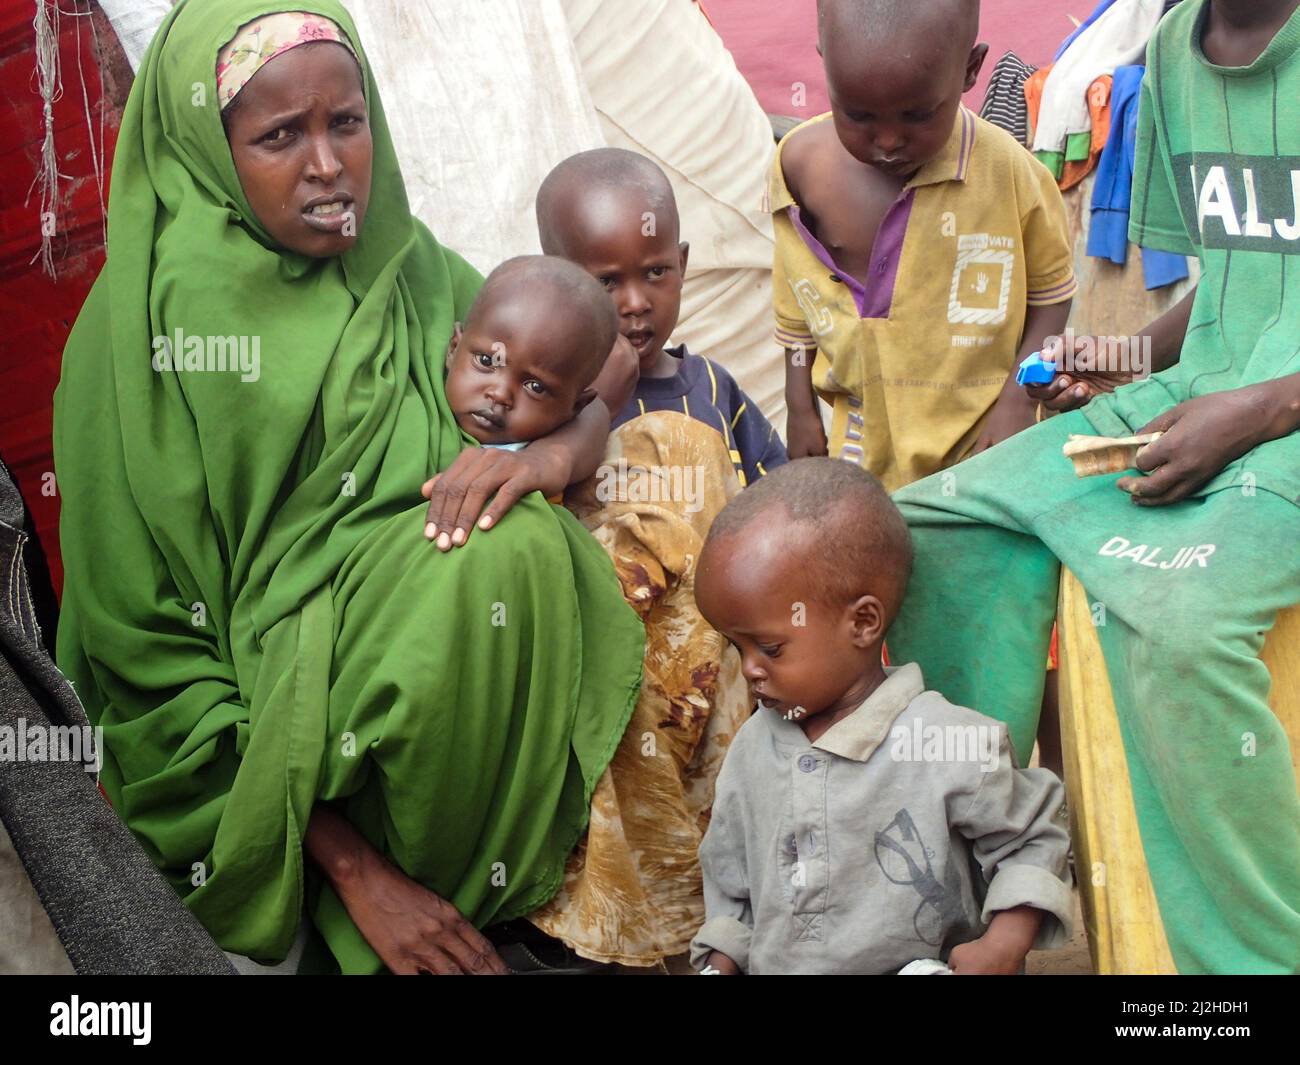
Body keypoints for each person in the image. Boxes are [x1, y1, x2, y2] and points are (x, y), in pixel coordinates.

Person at [53, 0, 645, 975]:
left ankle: (482, 898)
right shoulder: (140, 350)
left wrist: (543, 459)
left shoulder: (414, 274)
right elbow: (144, 650)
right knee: (478, 568)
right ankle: (364, 909)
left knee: (553, 536)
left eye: (346, 122)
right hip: (288, 769)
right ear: (208, 145)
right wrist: (360, 874)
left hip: (461, 784)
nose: (327, 167)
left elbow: (597, 379)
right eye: (279, 135)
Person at [889, 0, 1300, 973]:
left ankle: (1247, 966)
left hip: (1282, 417)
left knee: (1179, 620)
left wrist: (1263, 411)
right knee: (928, 526)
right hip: (1205, 392)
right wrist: (1120, 357)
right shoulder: (1169, 48)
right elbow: (1242, 275)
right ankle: (972, 905)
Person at [688, 459, 1072, 974]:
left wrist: (1001, 945)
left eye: (770, 647)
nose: (749, 671)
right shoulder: (752, 749)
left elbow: (1033, 839)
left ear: (864, 622)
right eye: (735, 648)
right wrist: (722, 960)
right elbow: (732, 881)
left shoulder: (945, 741)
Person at [775, 0, 1076, 489]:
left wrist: (1020, 397)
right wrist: (798, 405)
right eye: (859, 115)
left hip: (981, 443)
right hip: (858, 446)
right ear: (824, 62)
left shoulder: (1012, 176)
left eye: (917, 115)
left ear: (970, 69)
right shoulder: (799, 170)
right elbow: (795, 305)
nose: (889, 141)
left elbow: (1051, 296)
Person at [537, 148, 789, 487]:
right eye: (606, 282)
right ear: (558, 285)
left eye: (656, 272)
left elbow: (777, 496)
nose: (637, 303)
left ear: (682, 265)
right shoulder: (545, 400)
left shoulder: (713, 389)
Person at [443, 256, 617, 451]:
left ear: (576, 407)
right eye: (486, 361)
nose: (500, 395)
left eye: (535, 387)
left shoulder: (539, 466)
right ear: (453, 348)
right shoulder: (426, 411)